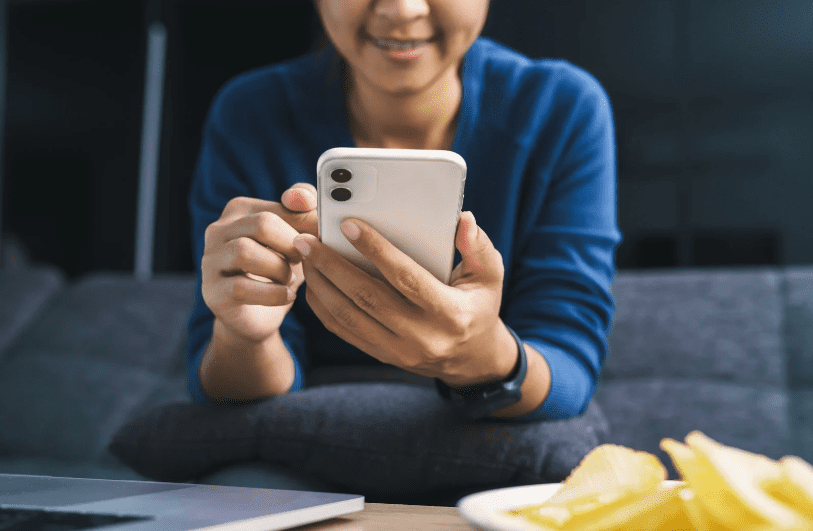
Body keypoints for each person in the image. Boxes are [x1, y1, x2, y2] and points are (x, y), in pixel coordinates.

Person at [188, 0, 620, 426]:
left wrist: (484, 354)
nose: (403, 9)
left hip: (492, 422)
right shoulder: (251, 113)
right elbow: (222, 386)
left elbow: (570, 362)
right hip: (300, 431)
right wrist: (246, 335)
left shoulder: (560, 108)